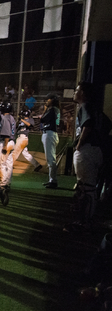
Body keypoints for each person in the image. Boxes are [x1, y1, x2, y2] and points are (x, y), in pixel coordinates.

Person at [64, 82, 108, 232]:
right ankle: (85, 220)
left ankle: (84, 223)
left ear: (82, 93)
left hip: (87, 151)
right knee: (88, 188)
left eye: (77, 90)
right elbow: (108, 124)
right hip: (96, 151)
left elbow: (87, 124)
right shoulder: (95, 107)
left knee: (86, 189)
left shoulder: (85, 106)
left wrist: (79, 144)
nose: (75, 93)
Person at [0, 101, 15, 206]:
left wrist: (4, 145)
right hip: (12, 142)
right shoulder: (11, 117)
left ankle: (2, 185)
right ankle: (7, 183)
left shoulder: (5, 118)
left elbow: (6, 133)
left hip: (6, 142)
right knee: (9, 164)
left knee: (1, 164)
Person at [40, 93, 61, 188]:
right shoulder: (56, 109)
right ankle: (51, 180)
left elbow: (42, 119)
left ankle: (53, 181)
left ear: (52, 99)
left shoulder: (52, 109)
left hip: (50, 134)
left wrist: (44, 111)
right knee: (50, 159)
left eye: (48, 99)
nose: (46, 101)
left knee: (51, 159)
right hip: (51, 133)